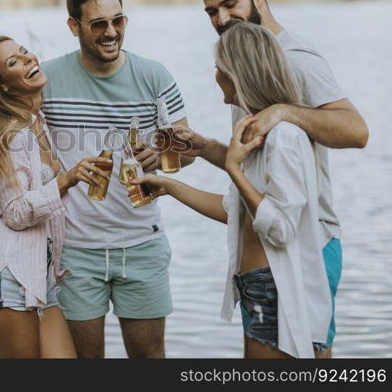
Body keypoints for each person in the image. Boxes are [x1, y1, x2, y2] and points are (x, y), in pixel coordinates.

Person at [0, 0, 194, 358]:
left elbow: (187, 148)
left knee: (151, 358)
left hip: (142, 243)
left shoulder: (155, 76)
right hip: (76, 252)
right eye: (98, 24)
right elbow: (4, 116)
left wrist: (162, 153)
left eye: (118, 21)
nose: (111, 32)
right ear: (74, 26)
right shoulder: (45, 78)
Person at [178, 0, 369, 356]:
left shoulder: (293, 56)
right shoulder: (240, 60)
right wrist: (209, 148)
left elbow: (356, 131)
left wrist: (284, 112)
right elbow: (258, 165)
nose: (221, 17)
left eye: (230, 4)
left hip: (307, 242)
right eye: (211, 10)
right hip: (270, 244)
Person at [134, 21, 333, 358]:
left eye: (218, 68)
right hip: (257, 285)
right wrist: (169, 186)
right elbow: (237, 211)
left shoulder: (285, 138)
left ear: (237, 73)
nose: (215, 76)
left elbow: (281, 228)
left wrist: (232, 168)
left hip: (275, 288)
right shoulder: (257, 131)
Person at [0, 36, 113, 358]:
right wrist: (68, 179)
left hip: (38, 275)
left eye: (24, 52)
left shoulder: (36, 122)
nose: (27, 59)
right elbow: (16, 213)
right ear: (3, 88)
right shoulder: (12, 134)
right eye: (13, 63)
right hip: (5, 278)